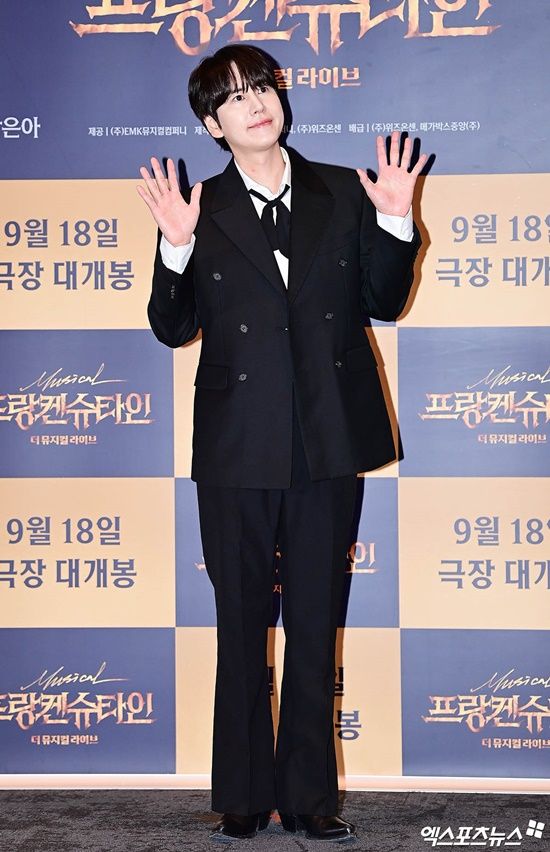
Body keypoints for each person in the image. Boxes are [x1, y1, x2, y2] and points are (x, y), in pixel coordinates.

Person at [138, 44, 426, 843]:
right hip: (236, 445)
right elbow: (172, 326)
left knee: (314, 622)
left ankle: (309, 799)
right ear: (212, 124)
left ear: (280, 97)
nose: (254, 103)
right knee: (240, 625)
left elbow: (384, 300)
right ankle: (241, 792)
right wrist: (174, 247)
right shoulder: (196, 207)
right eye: (232, 97)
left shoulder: (346, 190)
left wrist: (395, 221)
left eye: (261, 86)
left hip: (328, 439)